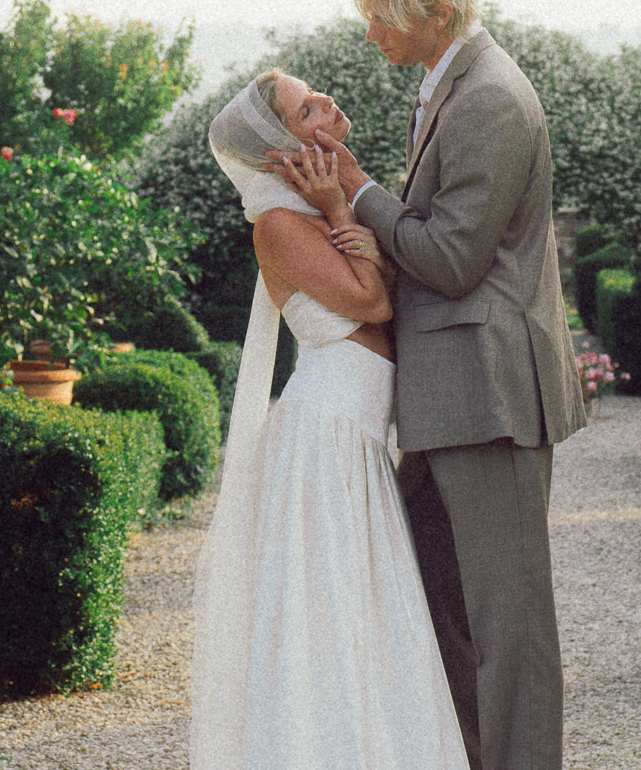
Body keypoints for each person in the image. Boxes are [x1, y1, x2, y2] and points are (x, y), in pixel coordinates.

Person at [280, 0, 583, 770]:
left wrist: (357, 189)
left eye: (381, 18)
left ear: (438, 11)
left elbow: (451, 257)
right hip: (453, 399)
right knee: (433, 596)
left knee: (508, 622)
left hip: (489, 398)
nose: (371, 33)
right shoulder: (447, 87)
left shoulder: (490, 96)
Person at [189, 69, 470, 770]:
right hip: (325, 436)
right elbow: (371, 304)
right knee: (329, 617)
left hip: (356, 436)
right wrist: (343, 212)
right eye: (310, 106)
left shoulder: (310, 208)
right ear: (284, 140)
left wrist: (341, 201)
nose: (331, 103)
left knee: (369, 613)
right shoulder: (281, 223)